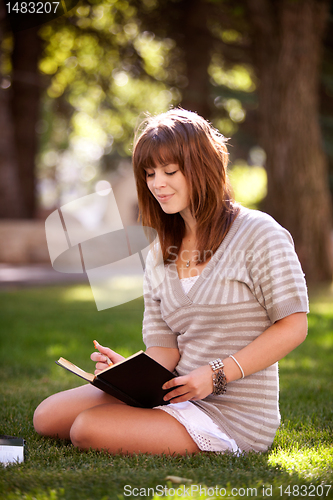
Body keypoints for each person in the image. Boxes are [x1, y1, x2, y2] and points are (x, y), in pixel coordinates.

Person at [33, 108, 309, 455]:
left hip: (232, 413)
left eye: (169, 171)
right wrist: (128, 375)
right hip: (174, 392)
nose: (156, 184)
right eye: (149, 173)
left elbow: (294, 325)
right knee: (47, 417)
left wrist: (215, 374)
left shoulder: (259, 233)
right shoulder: (159, 250)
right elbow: (164, 350)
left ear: (202, 166)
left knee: (87, 428)